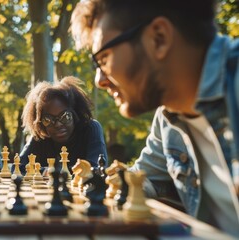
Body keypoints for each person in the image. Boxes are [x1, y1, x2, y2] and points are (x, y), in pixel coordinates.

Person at [71, 0, 239, 235]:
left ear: (159, 38)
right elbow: (144, 179)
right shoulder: (168, 117)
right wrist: (113, 181)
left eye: (104, 58)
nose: (99, 81)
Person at [20, 76, 108, 173]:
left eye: (65, 116)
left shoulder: (91, 128)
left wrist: (54, 173)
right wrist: (45, 171)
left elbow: (97, 169)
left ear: (75, 114)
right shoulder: (41, 135)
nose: (57, 124)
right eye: (48, 119)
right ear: (40, 121)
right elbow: (18, 167)